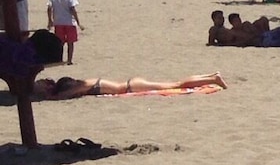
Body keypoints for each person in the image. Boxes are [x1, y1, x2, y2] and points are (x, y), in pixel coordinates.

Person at [32, 73, 227, 100]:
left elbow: (62, 97)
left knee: (177, 84)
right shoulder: (84, 82)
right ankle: (211, 77)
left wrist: (47, 95)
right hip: (131, 84)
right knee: (176, 83)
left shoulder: (81, 86)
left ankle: (213, 78)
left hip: (131, 87)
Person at [47, 0, 81, 64]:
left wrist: (50, 20)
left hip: (58, 23)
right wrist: (78, 22)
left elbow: (49, 8)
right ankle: (69, 60)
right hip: (69, 23)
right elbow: (72, 10)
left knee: (59, 42)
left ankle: (59, 58)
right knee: (70, 42)